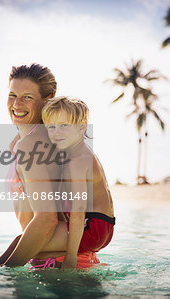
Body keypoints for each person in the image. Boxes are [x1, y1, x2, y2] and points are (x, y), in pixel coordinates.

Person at [28, 96, 115, 270]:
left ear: (82, 127)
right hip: (103, 227)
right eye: (51, 127)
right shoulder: (80, 153)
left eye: (64, 125)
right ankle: (86, 258)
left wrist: (70, 258)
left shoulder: (78, 160)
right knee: (34, 241)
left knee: (31, 243)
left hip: (91, 228)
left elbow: (78, 211)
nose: (56, 132)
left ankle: (3, 273)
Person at [0, 63, 59, 267]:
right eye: (12, 95)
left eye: (27, 97)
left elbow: (47, 220)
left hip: (54, 267)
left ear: (46, 101)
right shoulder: (24, 141)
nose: (16, 104)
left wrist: (8, 272)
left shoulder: (32, 144)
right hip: (44, 259)